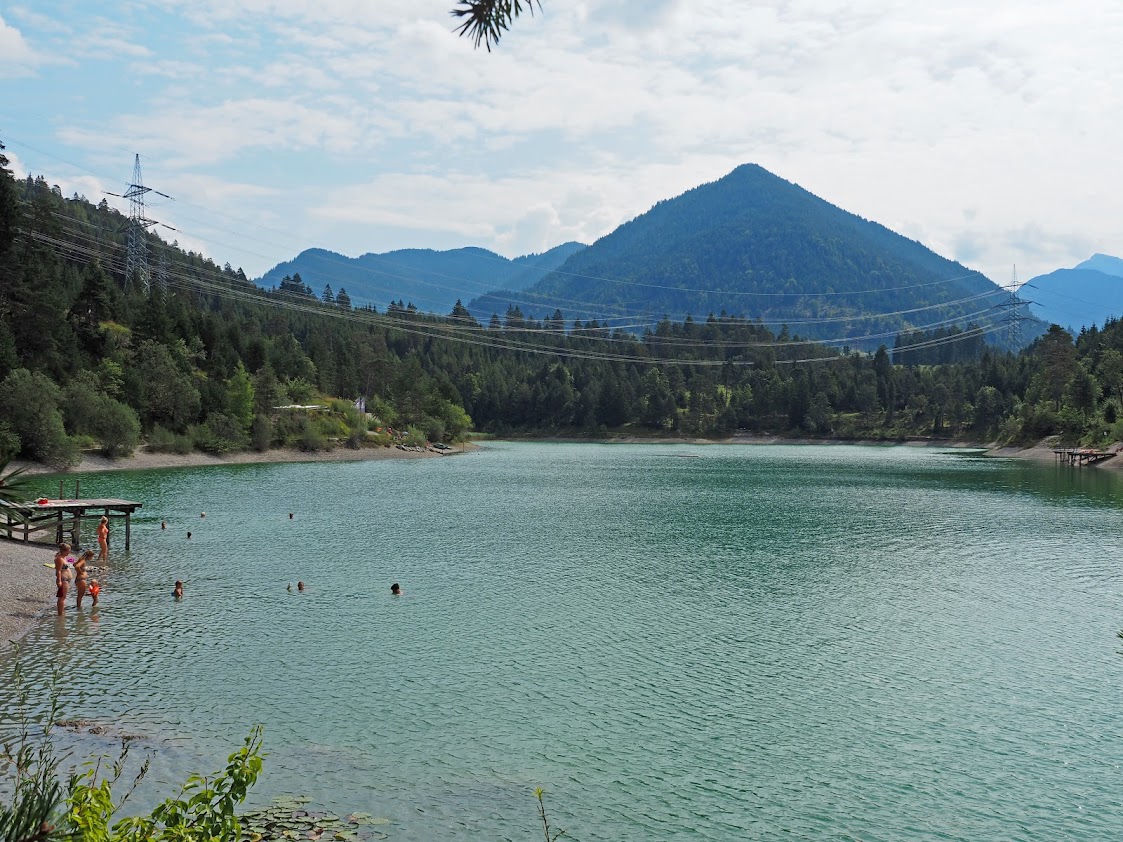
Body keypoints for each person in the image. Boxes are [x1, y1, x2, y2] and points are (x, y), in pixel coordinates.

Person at [54, 543, 71, 616]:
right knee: (62, 597)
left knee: (63, 597)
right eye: (68, 550)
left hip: (66, 580)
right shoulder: (59, 559)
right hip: (63, 580)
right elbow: (58, 570)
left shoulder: (63, 557)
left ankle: (62, 612)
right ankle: (60, 615)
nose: (69, 552)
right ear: (64, 551)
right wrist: (59, 581)